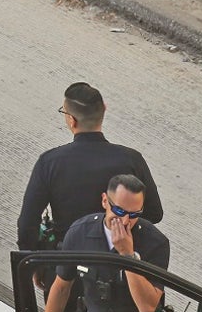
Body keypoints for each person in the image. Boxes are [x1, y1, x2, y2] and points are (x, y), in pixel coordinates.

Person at [17, 81, 164, 253]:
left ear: (72, 120)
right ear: (104, 110)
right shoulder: (132, 159)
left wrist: (33, 264)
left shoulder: (50, 162)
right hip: (119, 261)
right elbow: (155, 214)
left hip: (65, 262)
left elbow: (27, 223)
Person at [41, 174, 170, 312]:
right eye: (118, 210)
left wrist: (128, 256)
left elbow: (147, 307)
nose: (124, 221)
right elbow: (61, 287)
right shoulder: (80, 232)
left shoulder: (155, 243)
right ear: (104, 201)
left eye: (133, 214)